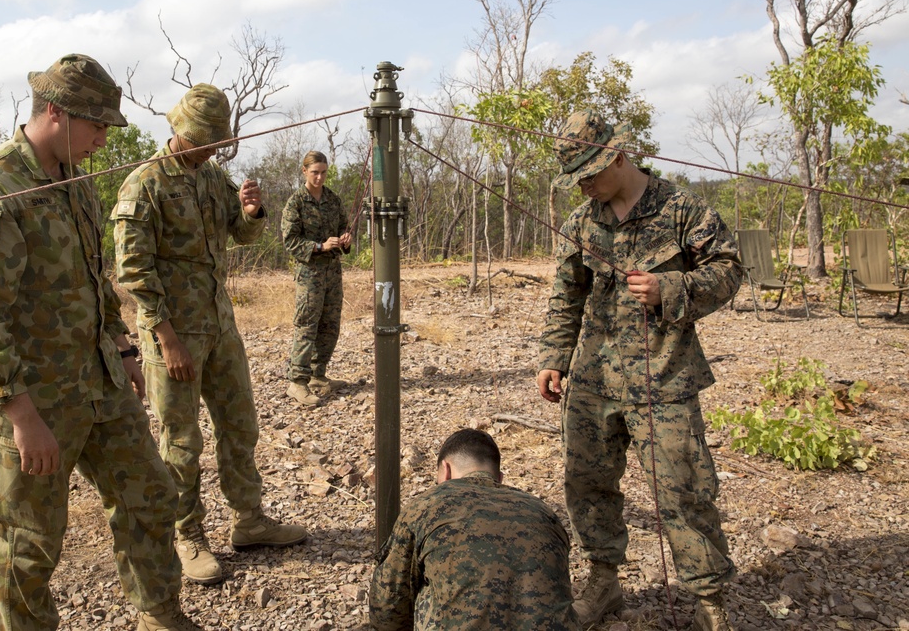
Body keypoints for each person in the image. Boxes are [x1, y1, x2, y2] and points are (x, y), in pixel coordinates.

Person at [0, 54, 199, 631]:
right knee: (28, 544)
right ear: (55, 113)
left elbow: (94, 278)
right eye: (97, 125)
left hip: (99, 383)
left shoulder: (76, 181)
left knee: (151, 497)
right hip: (34, 397)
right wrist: (20, 414)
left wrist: (125, 351)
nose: (103, 139)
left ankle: (160, 614)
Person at [536, 109, 742, 631]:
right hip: (594, 381)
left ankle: (711, 604)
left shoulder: (681, 210)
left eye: (590, 174)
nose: (584, 187)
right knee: (588, 483)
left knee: (685, 491)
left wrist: (671, 289)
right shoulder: (582, 222)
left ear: (618, 157)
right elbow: (566, 297)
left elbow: (729, 269)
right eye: (576, 179)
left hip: (665, 379)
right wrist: (554, 358)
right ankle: (604, 582)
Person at [112, 83, 307, 586]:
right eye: (205, 138)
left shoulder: (213, 177)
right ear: (180, 129)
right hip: (172, 332)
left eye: (218, 140)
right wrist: (167, 338)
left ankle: (249, 520)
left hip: (219, 324)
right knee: (181, 439)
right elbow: (133, 271)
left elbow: (240, 236)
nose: (212, 148)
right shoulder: (145, 184)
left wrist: (249, 212)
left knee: (240, 423)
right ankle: (186, 534)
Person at [370, 428, 582, 630]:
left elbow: (388, 610)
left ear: (446, 471)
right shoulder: (544, 513)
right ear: (499, 479)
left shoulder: (425, 507)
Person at [280, 150, 351, 407]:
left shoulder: (332, 199)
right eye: (314, 172)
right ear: (304, 171)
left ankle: (318, 375)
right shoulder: (296, 203)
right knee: (306, 325)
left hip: (332, 272)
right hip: (310, 273)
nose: (319, 177)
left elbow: (344, 225)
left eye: (323, 172)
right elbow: (290, 241)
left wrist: (345, 239)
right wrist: (320, 247)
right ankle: (297, 382)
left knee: (330, 324)